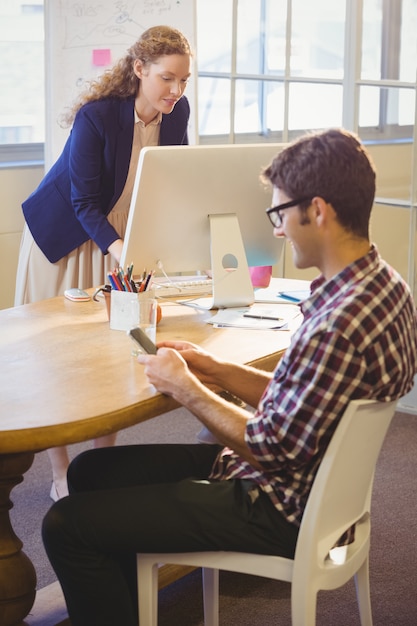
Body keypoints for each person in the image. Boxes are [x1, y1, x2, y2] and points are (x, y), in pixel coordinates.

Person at [42, 129, 417, 626]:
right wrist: (215, 368)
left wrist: (185, 387)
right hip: (309, 483)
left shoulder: (336, 324)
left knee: (66, 524)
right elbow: (304, 399)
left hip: (277, 503)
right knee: (89, 474)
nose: (278, 230)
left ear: (319, 210)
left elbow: (268, 447)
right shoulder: (384, 289)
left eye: (280, 213)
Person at [14, 25, 193, 501]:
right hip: (69, 237)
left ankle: (95, 471)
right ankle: (59, 473)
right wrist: (124, 252)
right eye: (166, 79)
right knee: (60, 363)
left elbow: (173, 181)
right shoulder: (96, 117)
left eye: (183, 81)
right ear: (139, 69)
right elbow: (83, 203)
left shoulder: (177, 114)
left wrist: (162, 243)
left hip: (120, 240)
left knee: (114, 357)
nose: (175, 91)